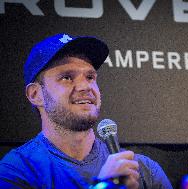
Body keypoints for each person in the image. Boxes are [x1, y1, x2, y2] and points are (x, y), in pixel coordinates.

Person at [0, 33, 173, 189]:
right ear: (36, 94)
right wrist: (104, 187)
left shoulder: (142, 169)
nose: (85, 86)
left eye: (90, 77)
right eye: (67, 77)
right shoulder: (17, 171)